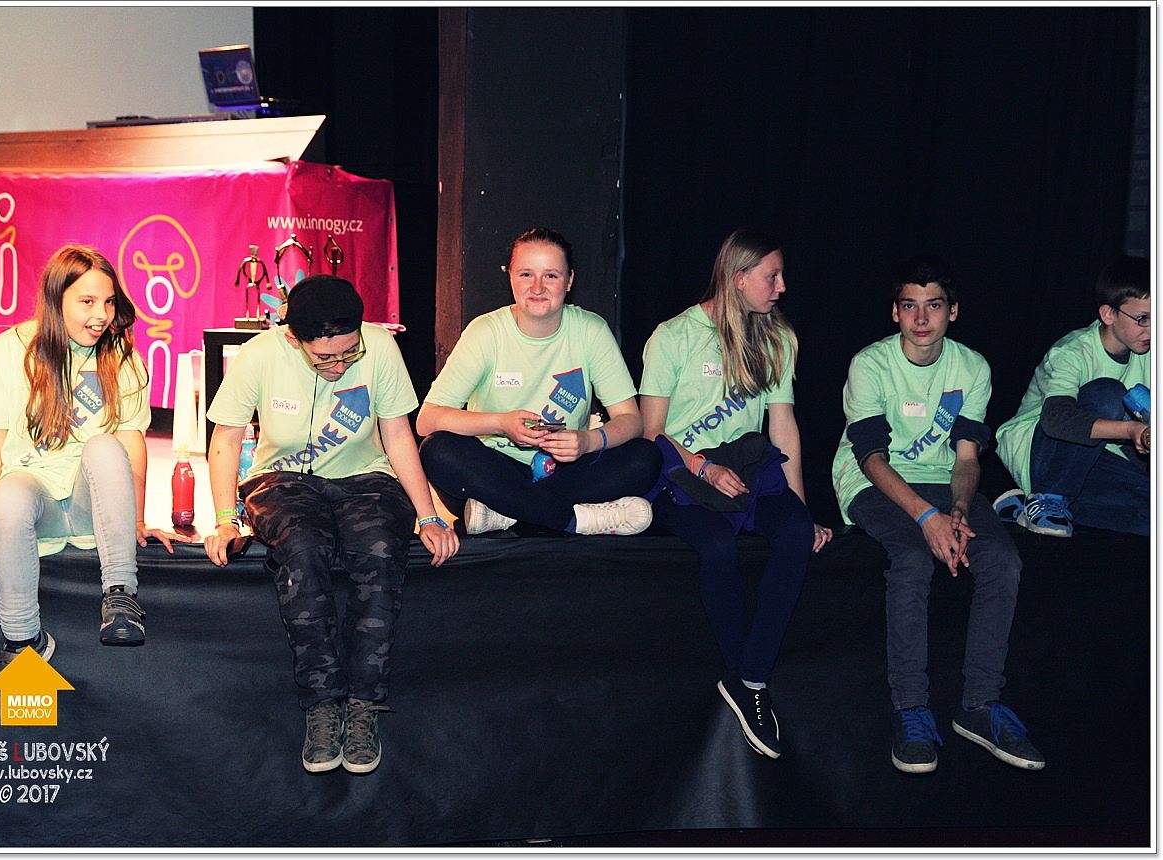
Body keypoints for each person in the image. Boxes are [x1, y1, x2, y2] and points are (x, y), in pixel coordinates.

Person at [204, 274, 459, 776]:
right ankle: (322, 705)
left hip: (366, 477)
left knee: (381, 548)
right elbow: (226, 440)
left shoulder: (380, 348)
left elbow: (397, 433)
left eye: (349, 353)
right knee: (301, 547)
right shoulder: (259, 355)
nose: (340, 366)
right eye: (326, 358)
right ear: (293, 339)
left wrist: (428, 513)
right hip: (282, 479)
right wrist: (225, 521)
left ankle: (364, 705)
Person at [831, 253, 1044, 774]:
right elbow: (872, 459)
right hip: (873, 482)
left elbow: (967, 458)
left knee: (1002, 560)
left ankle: (979, 706)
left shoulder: (972, 367)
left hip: (944, 484)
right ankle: (910, 709)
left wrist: (960, 510)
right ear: (895, 312)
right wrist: (928, 519)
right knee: (911, 558)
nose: (921, 318)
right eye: (910, 306)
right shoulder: (870, 364)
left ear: (953, 311)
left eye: (934, 306)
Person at [638, 228, 832, 760]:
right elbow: (651, 432)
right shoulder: (674, 335)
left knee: (795, 534)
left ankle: (749, 680)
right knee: (717, 546)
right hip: (684, 472)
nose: (782, 286)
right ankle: (749, 680)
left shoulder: (778, 337)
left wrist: (801, 507)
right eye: (772, 276)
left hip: (748, 470)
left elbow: (783, 426)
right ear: (739, 278)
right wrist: (703, 468)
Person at [0, 244, 186, 725]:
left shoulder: (121, 356)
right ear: (56, 300)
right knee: (8, 497)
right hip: (39, 503)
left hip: (95, 506)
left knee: (105, 446)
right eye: (87, 302)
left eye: (108, 302)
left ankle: (120, 596)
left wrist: (134, 519)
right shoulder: (10, 349)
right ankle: (23, 642)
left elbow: (132, 444)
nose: (101, 315)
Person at [417, 227, 662, 536]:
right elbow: (427, 420)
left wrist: (588, 441)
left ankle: (509, 515)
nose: (537, 287)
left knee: (646, 458)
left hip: (563, 473)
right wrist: (501, 423)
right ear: (510, 277)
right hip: (495, 472)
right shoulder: (486, 332)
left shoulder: (591, 330)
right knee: (437, 450)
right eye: (526, 274)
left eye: (551, 276)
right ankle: (573, 521)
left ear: (569, 281)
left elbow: (631, 420)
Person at [992, 255, 1150, 538]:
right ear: (1108, 314)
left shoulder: (1151, 353)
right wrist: (1131, 430)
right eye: (1142, 319)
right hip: (1039, 452)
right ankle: (1050, 497)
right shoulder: (1072, 353)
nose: (1152, 329)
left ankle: (1026, 506)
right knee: (1108, 394)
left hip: (1097, 455)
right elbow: (1056, 420)